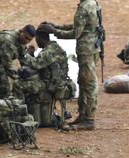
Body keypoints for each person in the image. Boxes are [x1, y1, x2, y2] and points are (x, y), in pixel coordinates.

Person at [39, 0, 103, 131]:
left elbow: (75, 33)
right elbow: (79, 26)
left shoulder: (84, 7)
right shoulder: (92, 3)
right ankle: (84, 115)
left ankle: (89, 119)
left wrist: (55, 31)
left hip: (87, 51)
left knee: (89, 84)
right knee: (83, 82)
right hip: (93, 48)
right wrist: (56, 26)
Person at [13, 28, 73, 127]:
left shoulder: (49, 51)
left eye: (36, 39)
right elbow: (42, 65)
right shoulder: (54, 47)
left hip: (51, 85)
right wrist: (32, 54)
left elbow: (36, 64)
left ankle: (20, 115)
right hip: (54, 82)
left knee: (18, 84)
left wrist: (24, 54)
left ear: (40, 38)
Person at [0, 25, 36, 106]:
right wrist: (19, 78)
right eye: (26, 37)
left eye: (29, 39)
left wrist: (33, 71)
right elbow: (8, 65)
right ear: (20, 31)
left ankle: (1, 113)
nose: (27, 41)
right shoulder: (7, 40)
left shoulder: (21, 40)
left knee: (5, 92)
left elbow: (23, 58)